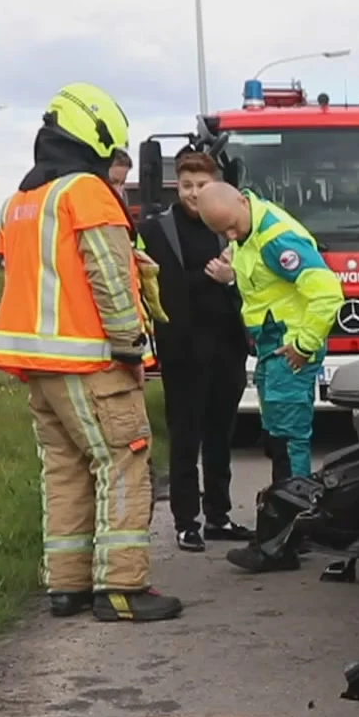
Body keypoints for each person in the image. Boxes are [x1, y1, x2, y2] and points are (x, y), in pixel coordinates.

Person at [0, 83, 184, 621]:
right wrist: (130, 345)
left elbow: (20, 276)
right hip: (91, 360)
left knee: (66, 471)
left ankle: (67, 587)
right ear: (96, 138)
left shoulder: (19, 202)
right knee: (124, 464)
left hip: (37, 366)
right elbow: (108, 276)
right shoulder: (88, 193)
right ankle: (122, 589)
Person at [192, 181, 343, 572]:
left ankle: (284, 543)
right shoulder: (249, 232)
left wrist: (304, 344)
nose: (229, 236)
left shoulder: (277, 237)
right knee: (278, 440)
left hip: (288, 349)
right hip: (273, 347)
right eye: (221, 232)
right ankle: (287, 534)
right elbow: (265, 286)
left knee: (288, 444)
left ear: (243, 200)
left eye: (230, 226)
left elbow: (328, 292)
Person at [138, 150, 253, 552]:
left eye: (201, 186)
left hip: (227, 346)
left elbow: (253, 281)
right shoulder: (156, 230)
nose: (193, 194)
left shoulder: (228, 227)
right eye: (186, 185)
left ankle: (219, 515)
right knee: (186, 435)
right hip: (182, 349)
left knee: (221, 435)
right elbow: (152, 282)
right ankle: (187, 521)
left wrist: (232, 278)